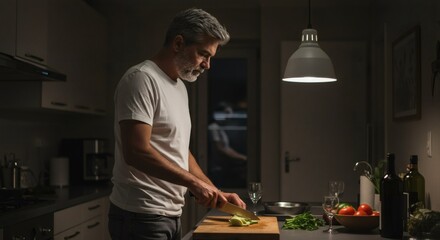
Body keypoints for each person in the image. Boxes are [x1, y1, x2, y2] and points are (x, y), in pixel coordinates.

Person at [108, 8, 246, 240]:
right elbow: (135, 151)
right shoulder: (141, 79)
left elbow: (179, 151)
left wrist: (215, 192)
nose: (207, 65)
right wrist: (194, 184)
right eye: (204, 54)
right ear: (178, 43)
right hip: (140, 216)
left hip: (170, 215)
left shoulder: (179, 86)